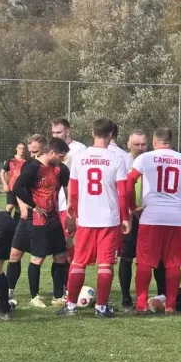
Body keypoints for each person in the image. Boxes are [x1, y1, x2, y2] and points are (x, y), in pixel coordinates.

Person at [56, 117, 131, 318]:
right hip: (109, 219)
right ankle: (101, 307)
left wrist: (76, 213)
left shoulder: (80, 157)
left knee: (78, 262)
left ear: (92, 133)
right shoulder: (117, 159)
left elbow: (73, 190)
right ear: (110, 135)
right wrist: (125, 218)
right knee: (105, 264)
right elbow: (123, 193)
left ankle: (70, 305)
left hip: (86, 219)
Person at [127, 127, 181, 315]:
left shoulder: (145, 158)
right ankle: (170, 306)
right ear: (171, 141)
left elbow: (129, 182)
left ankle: (141, 305)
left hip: (151, 216)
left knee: (145, 262)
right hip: (175, 217)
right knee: (173, 263)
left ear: (155, 141)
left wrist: (132, 207)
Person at [11, 137, 70, 308]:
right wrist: (33, 206)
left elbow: (67, 192)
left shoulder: (60, 169)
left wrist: (72, 213)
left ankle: (58, 296)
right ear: (51, 153)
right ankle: (34, 296)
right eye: (60, 156)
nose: (62, 160)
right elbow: (17, 188)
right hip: (37, 220)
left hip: (54, 219)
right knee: (38, 258)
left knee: (60, 256)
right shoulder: (33, 168)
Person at [51, 117, 87, 286]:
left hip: (69, 205)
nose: (56, 135)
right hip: (53, 205)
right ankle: (61, 286)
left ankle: (71, 284)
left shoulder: (79, 149)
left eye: (59, 132)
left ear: (68, 131)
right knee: (57, 247)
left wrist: (75, 209)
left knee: (68, 244)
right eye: (53, 132)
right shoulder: (50, 149)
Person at [118, 129, 148, 311]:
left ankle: (157, 295)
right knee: (127, 257)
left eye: (143, 144)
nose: (140, 148)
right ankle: (126, 297)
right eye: (136, 144)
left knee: (153, 258)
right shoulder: (123, 161)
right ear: (128, 144)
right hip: (130, 215)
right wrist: (129, 210)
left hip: (150, 216)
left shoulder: (151, 160)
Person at [0, 142, 26, 220]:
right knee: (10, 206)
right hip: (12, 188)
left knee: (19, 208)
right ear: (17, 149)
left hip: (22, 189)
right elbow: (2, 173)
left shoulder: (27, 162)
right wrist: (5, 184)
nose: (22, 150)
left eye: (23, 148)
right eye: (20, 148)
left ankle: (15, 225)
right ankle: (6, 222)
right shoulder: (11, 161)